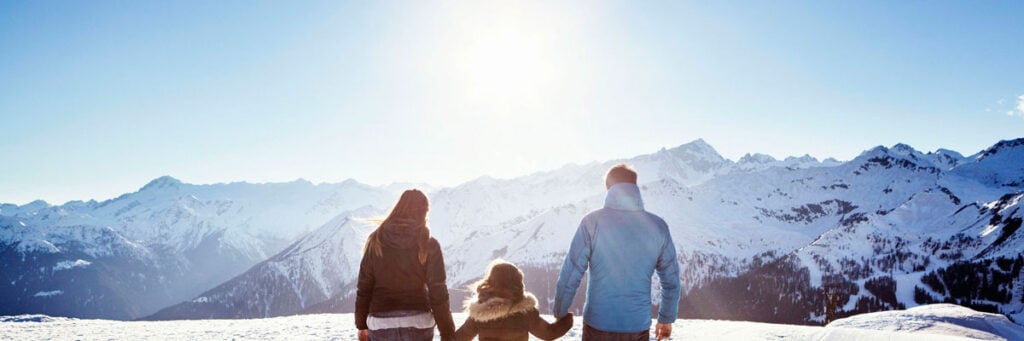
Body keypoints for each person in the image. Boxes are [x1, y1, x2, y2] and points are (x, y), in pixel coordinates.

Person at [553, 163, 682, 340]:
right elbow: (671, 280)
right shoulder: (658, 226)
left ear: (608, 188)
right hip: (637, 327)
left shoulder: (592, 222)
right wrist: (666, 319)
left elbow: (571, 272)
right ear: (635, 186)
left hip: (597, 325)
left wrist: (560, 312)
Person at [355, 189, 455, 341]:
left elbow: (364, 288)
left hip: (380, 322)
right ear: (423, 213)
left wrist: (361, 324)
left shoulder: (376, 241)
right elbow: (438, 292)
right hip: (418, 321)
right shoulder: (429, 244)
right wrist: (447, 332)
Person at [455, 260, 573, 341]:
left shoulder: (479, 314)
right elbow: (549, 334)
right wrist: (567, 320)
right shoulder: (525, 313)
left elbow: (459, 338)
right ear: (517, 283)